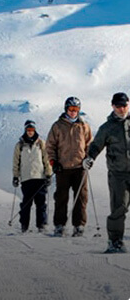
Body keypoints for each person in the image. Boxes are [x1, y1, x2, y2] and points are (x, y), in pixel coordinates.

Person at [83, 92, 130, 253]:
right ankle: (115, 242)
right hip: (118, 174)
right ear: (112, 106)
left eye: (124, 105)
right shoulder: (107, 128)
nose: (122, 109)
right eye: (118, 106)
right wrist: (90, 157)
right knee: (119, 208)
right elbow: (96, 145)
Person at [46, 97, 92, 237]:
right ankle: (59, 226)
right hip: (63, 168)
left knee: (81, 198)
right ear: (66, 109)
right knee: (61, 197)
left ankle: (79, 226)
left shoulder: (83, 126)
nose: (73, 112)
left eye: (76, 110)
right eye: (71, 109)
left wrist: (88, 159)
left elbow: (90, 144)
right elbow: (50, 146)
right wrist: (54, 162)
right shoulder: (58, 126)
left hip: (80, 167)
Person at [12, 120, 52, 233]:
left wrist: (48, 174)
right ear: (25, 130)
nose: (30, 132)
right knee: (26, 203)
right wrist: (15, 176)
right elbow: (16, 162)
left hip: (40, 177)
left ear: (35, 130)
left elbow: (46, 159)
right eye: (28, 130)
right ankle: (24, 225)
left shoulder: (41, 143)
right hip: (26, 178)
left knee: (41, 203)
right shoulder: (19, 145)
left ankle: (41, 225)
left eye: (32, 130)